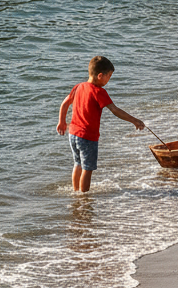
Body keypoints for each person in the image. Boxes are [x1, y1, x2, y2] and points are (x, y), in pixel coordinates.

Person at [57, 56, 145, 193]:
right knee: (88, 168)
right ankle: (84, 197)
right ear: (100, 75)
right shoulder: (99, 92)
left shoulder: (79, 87)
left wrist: (62, 122)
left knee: (78, 164)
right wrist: (134, 120)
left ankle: (76, 192)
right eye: (109, 76)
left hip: (73, 134)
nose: (109, 80)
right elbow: (115, 110)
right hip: (87, 136)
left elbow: (65, 103)